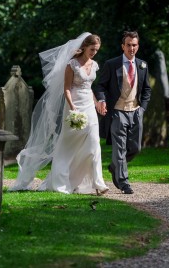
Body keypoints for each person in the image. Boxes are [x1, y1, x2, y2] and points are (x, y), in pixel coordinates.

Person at [8, 32, 110, 195]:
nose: (94, 52)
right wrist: (73, 108)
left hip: (89, 107)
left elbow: (89, 88)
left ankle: (98, 183)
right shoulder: (72, 64)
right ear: (84, 47)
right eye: (92, 49)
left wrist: (97, 103)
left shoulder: (95, 64)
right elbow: (67, 89)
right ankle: (60, 181)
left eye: (96, 50)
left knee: (94, 143)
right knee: (67, 145)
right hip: (74, 106)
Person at [95, 31, 152, 194]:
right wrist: (102, 100)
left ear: (138, 46)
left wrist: (142, 109)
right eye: (128, 45)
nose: (131, 48)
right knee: (119, 149)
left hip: (135, 111)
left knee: (135, 148)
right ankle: (124, 183)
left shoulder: (143, 65)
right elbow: (101, 86)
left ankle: (115, 166)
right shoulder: (112, 64)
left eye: (134, 45)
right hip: (117, 112)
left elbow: (147, 89)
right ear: (123, 46)